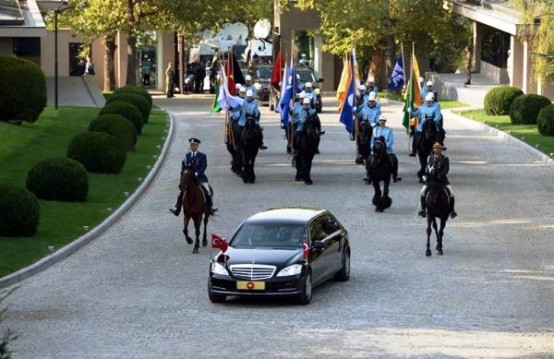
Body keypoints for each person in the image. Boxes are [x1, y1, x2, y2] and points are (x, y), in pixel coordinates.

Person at [170, 138, 217, 216]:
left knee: (208, 191)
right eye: (191, 145)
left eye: (194, 145)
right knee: (180, 192)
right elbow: (185, 166)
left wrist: (197, 173)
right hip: (189, 180)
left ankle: (210, 207)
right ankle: (177, 208)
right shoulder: (187, 156)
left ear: (197, 146)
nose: (192, 146)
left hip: (200, 178)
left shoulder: (202, 156)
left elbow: (204, 166)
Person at [418, 142, 457, 218]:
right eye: (435, 148)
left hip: (441, 180)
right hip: (431, 180)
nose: (436, 150)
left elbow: (446, 169)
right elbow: (427, 168)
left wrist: (440, 175)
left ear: (441, 150)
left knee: (451, 193)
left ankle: (452, 210)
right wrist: (425, 175)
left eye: (438, 148)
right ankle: (423, 210)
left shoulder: (445, 158)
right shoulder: (430, 157)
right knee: (422, 191)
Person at [370, 115, 401, 182]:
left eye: (383, 121)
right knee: (369, 159)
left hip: (386, 150)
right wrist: (373, 147)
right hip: (376, 150)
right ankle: (369, 175)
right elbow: (372, 141)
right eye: (381, 120)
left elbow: (391, 140)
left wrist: (385, 147)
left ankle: (395, 175)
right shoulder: (375, 130)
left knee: (395, 159)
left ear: (385, 121)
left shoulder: (389, 130)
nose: (382, 122)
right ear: (379, 121)